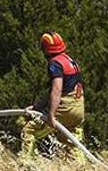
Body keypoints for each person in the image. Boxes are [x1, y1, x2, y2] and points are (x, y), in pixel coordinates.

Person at [21, 31, 85, 160]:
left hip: (64, 108)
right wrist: (36, 108)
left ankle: (28, 164)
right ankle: (80, 167)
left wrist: (51, 115)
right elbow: (54, 91)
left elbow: (57, 90)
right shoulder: (70, 61)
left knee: (29, 131)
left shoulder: (55, 64)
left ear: (45, 49)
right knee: (71, 141)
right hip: (78, 109)